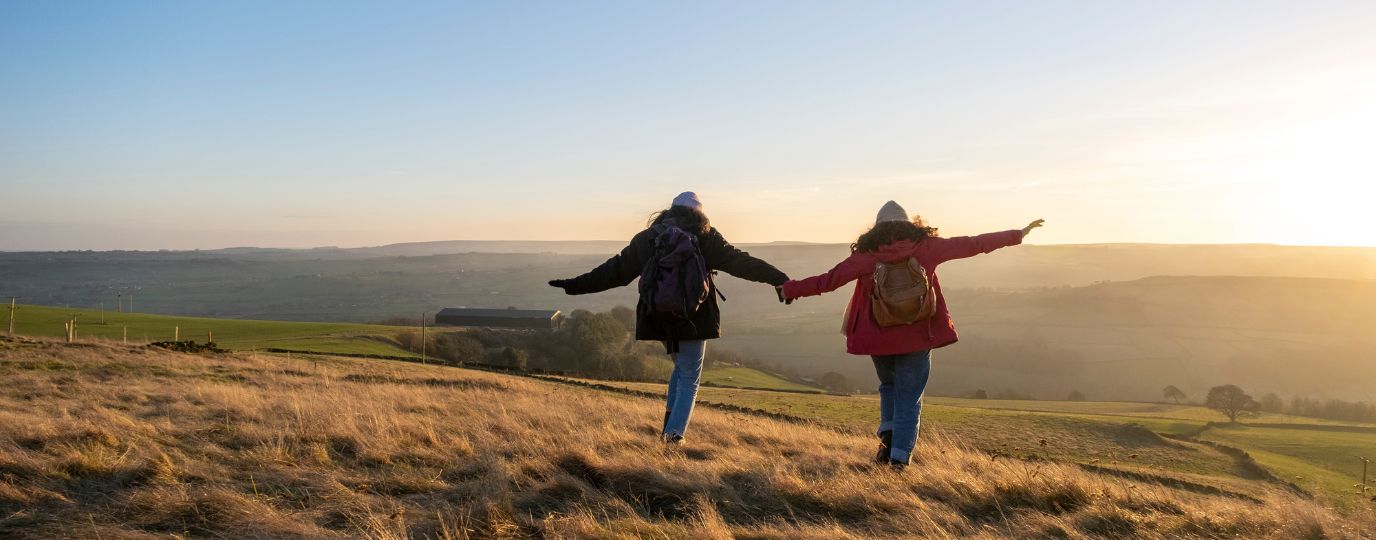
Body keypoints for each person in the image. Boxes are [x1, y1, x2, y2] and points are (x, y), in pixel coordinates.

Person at [778, 200, 1043, 468]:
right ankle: (899, 459)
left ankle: (888, 439)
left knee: (889, 386)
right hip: (918, 336)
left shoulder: (867, 255)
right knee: (909, 397)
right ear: (909, 224)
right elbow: (974, 244)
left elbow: (827, 281)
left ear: (876, 228)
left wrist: (789, 289)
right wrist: (1018, 234)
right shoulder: (927, 247)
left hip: (878, 338)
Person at [548, 192, 789, 444]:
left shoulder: (649, 238)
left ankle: (668, 429)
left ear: (670, 210)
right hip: (693, 319)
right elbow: (742, 263)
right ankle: (673, 439)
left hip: (657, 317)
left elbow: (615, 271)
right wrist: (779, 279)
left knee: (681, 369)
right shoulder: (706, 237)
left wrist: (573, 285)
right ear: (699, 213)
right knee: (690, 376)